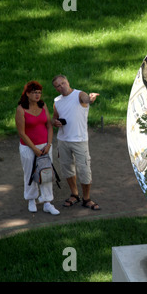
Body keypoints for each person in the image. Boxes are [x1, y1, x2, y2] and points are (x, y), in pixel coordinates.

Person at [51, 74, 101, 210]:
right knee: (67, 169)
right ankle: (74, 194)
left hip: (79, 140)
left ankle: (87, 198)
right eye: (58, 86)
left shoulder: (79, 95)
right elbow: (54, 118)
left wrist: (90, 98)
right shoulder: (57, 101)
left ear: (67, 82)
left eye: (63, 83)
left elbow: (86, 99)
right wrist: (55, 122)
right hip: (63, 140)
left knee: (84, 170)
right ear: (56, 89)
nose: (61, 86)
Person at [15, 81, 60, 215]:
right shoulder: (21, 109)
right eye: (34, 92)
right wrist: (34, 149)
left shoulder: (43, 105)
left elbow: (48, 125)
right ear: (27, 94)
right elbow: (21, 132)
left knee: (46, 172)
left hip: (45, 146)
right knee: (29, 172)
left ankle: (47, 202)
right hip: (28, 147)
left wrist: (49, 144)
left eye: (39, 92)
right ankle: (31, 199)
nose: (37, 95)